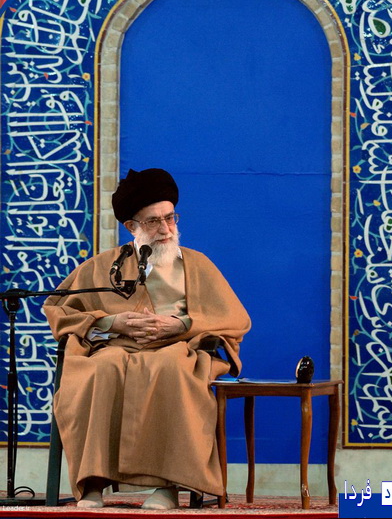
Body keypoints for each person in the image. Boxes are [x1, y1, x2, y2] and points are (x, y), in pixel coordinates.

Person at [44, 168, 251, 510]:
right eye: (154, 221)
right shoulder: (103, 266)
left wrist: (181, 324)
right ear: (132, 226)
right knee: (100, 370)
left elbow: (234, 317)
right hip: (115, 348)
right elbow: (58, 309)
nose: (166, 229)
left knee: (170, 370)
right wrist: (111, 321)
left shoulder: (197, 265)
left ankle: (167, 487)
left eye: (170, 218)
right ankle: (93, 483)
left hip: (178, 348)